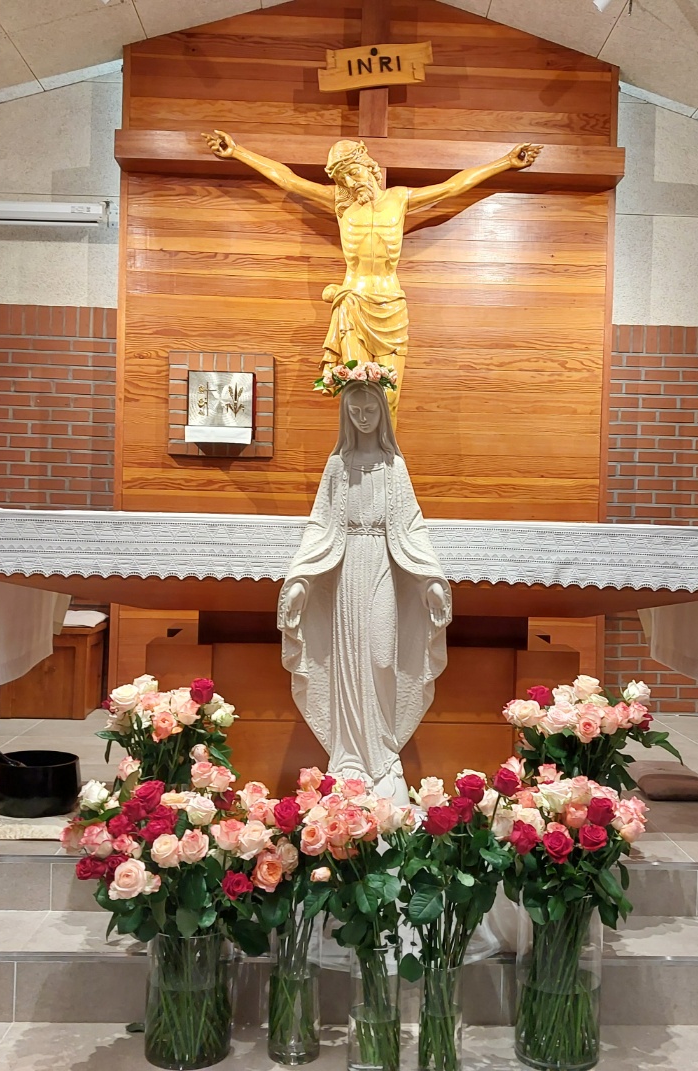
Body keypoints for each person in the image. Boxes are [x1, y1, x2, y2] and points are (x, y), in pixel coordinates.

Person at [201, 131, 542, 422]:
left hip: (391, 305)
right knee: (358, 393)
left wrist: (505, 162)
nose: (351, 183)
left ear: (369, 166)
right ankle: (356, 465)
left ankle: (387, 468)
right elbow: (288, 180)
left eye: (354, 172)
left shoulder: (400, 199)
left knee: (389, 397)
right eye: (343, 179)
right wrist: (238, 152)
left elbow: (452, 187)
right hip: (353, 303)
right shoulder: (341, 203)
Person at [277, 380, 451, 802]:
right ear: (345, 415)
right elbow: (320, 524)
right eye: (354, 410)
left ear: (382, 412)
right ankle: (351, 759)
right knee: (348, 662)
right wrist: (300, 580)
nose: (362, 417)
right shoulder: (338, 465)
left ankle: (384, 756)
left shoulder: (394, 467)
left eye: (369, 409)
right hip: (344, 573)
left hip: (383, 568)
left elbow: (412, 525)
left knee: (380, 657)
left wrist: (430, 578)